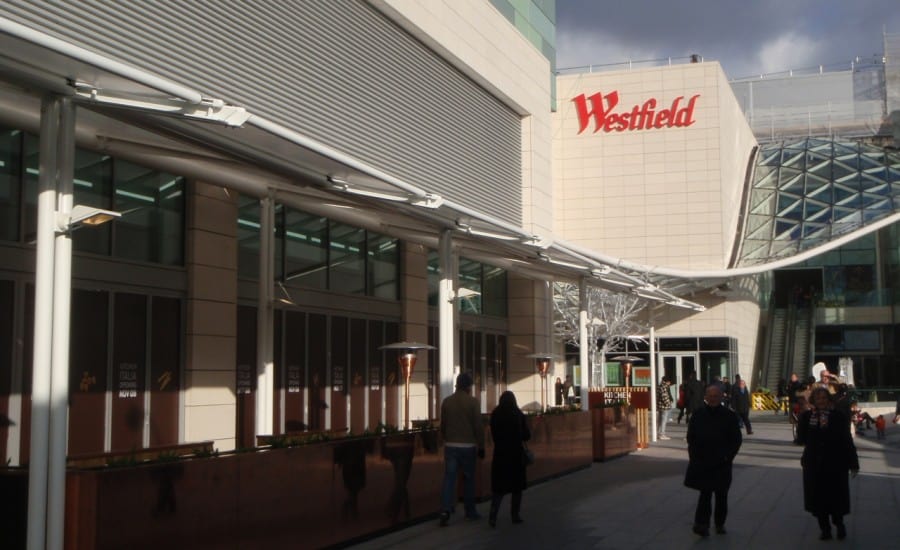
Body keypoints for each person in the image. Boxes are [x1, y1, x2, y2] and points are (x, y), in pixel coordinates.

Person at [796, 387, 859, 541]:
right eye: (818, 399)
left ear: (829, 400)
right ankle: (825, 529)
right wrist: (802, 419)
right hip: (814, 465)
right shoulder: (807, 417)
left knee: (836, 498)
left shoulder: (838, 416)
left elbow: (846, 440)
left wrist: (853, 463)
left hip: (835, 464)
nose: (821, 401)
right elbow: (802, 439)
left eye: (824, 398)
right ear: (814, 401)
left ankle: (839, 523)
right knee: (818, 499)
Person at [684, 385, 742, 537]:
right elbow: (691, 437)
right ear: (706, 397)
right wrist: (694, 455)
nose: (713, 398)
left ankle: (719, 523)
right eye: (710, 396)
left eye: (716, 396)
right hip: (703, 461)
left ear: (722, 397)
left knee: (721, 495)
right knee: (705, 494)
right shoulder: (698, 414)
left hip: (722, 462)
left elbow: (736, 439)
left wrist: (728, 457)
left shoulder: (729, 416)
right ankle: (702, 524)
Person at [439, 372, 485, 526]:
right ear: (469, 387)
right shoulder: (473, 403)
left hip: (450, 446)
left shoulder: (447, 402)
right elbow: (478, 426)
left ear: (457, 385)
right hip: (467, 446)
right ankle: (469, 512)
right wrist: (482, 445)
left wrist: (445, 438)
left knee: (449, 478)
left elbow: (443, 425)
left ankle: (445, 509)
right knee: (469, 479)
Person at [488, 391, 530, 527]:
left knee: (498, 489)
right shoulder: (517, 414)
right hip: (516, 455)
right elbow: (526, 435)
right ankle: (515, 515)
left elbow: (493, 434)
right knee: (516, 487)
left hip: (500, 455)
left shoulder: (495, 414)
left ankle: (493, 516)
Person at [656, 375, 674, 440]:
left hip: (660, 406)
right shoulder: (664, 387)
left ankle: (658, 433)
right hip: (664, 406)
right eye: (669, 382)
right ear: (667, 381)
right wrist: (669, 404)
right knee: (663, 421)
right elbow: (665, 397)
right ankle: (662, 434)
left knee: (660, 420)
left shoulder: (660, 386)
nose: (670, 383)